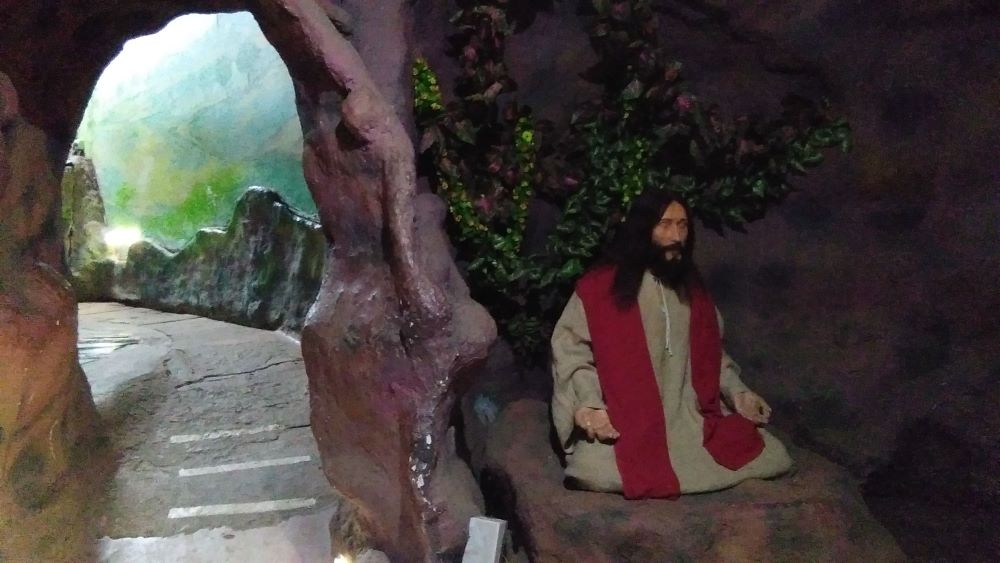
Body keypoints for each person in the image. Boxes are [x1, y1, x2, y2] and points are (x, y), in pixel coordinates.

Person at [550, 189, 793, 499]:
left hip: (690, 421)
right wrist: (590, 408)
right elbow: (571, 353)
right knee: (593, 469)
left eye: (682, 225)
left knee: (772, 454)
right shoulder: (600, 289)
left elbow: (710, 356)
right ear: (642, 229)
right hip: (629, 423)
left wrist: (738, 393)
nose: (676, 235)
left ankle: (687, 462)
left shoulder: (692, 290)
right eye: (664, 225)